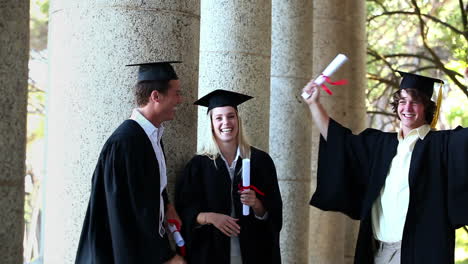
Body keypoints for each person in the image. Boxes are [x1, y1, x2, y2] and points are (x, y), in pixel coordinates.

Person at [303, 71, 467, 264]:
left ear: (427, 107)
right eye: (402, 101)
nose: (407, 107)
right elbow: (340, 141)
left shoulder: (442, 145)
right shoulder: (380, 145)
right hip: (378, 251)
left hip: (421, 251)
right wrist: (314, 104)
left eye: (415, 102)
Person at [75, 61, 186, 264]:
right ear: (156, 96)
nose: (180, 99)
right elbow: (126, 215)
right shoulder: (125, 144)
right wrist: (165, 258)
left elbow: (148, 188)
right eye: (176, 93)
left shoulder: (152, 136)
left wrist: (166, 204)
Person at [175, 89, 283, 264]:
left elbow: (275, 215)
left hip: (254, 251)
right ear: (211, 123)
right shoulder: (198, 165)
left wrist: (256, 204)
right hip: (212, 253)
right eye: (219, 118)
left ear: (238, 120)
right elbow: (184, 211)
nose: (226, 122)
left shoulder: (260, 161)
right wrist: (211, 217)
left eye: (231, 116)